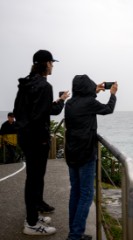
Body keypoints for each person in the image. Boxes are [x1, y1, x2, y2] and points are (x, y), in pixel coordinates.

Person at [13, 50, 70, 235]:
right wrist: (60, 102)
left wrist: (55, 102)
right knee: (34, 180)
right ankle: (31, 224)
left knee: (34, 179)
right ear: (46, 64)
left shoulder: (26, 83)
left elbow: (22, 110)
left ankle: (33, 215)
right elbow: (43, 115)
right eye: (52, 63)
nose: (53, 66)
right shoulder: (45, 86)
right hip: (37, 140)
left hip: (25, 137)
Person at [65, 75, 117, 240]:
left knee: (76, 193)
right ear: (87, 87)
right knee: (86, 194)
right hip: (86, 153)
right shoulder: (89, 103)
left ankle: (74, 232)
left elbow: (84, 100)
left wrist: (94, 91)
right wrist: (113, 94)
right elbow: (108, 109)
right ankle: (75, 235)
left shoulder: (69, 103)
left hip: (71, 153)